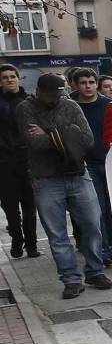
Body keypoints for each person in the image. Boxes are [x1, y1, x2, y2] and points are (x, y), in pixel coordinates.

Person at [18, 73, 111, 300]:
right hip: (45, 177)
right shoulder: (25, 108)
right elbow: (33, 142)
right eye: (51, 95)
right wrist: (66, 135)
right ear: (39, 91)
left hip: (78, 172)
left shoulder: (70, 104)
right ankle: (70, 278)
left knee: (92, 223)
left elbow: (87, 139)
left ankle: (95, 270)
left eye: (59, 94)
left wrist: (49, 133)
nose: (56, 99)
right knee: (57, 233)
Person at [66, 65, 112, 265]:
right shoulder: (71, 106)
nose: (88, 86)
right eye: (83, 83)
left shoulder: (109, 104)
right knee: (97, 209)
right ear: (75, 84)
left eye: (91, 82)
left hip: (110, 160)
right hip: (86, 164)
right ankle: (103, 249)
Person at [0, 62, 38, 258]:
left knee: (30, 206)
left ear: (18, 78)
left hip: (28, 160)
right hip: (4, 163)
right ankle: (16, 239)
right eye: (5, 77)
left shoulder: (30, 101)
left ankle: (31, 245)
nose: (9, 80)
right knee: (10, 207)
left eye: (12, 76)